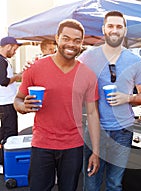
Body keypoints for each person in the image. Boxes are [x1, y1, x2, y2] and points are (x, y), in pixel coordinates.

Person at [14, 19, 100, 191]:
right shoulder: (35, 68)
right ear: (57, 38)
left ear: (82, 43)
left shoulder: (88, 75)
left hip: (73, 146)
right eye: (66, 38)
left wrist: (96, 152)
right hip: (42, 144)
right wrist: (23, 107)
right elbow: (18, 100)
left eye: (77, 41)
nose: (71, 44)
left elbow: (92, 114)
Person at [78, 11, 141, 191]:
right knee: (91, 183)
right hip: (95, 130)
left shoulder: (135, 60)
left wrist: (127, 98)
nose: (114, 30)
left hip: (123, 131)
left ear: (125, 30)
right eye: (110, 26)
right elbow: (66, 72)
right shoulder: (88, 56)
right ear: (103, 29)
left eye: (119, 26)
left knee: (114, 184)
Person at [0, 36, 22, 170]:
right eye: (14, 49)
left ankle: (3, 161)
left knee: (3, 133)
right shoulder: (2, 61)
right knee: (10, 134)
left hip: (4, 102)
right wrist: (18, 76)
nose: (14, 52)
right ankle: (6, 164)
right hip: (6, 103)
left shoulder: (3, 61)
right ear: (8, 46)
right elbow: (3, 81)